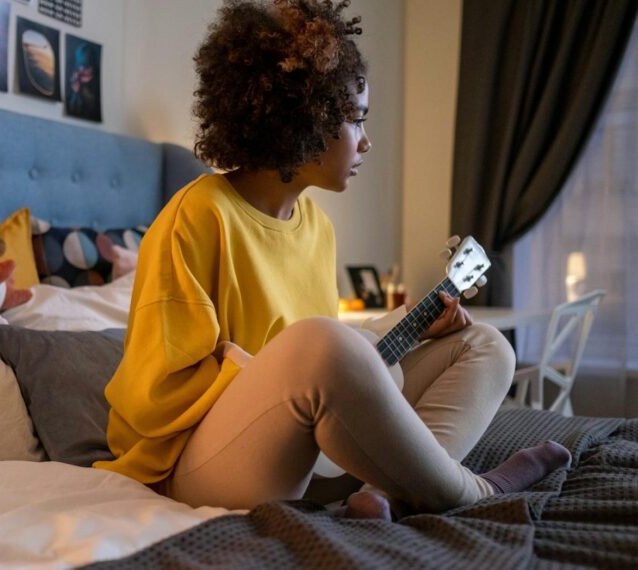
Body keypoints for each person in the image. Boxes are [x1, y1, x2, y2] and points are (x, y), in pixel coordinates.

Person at [93, 0, 570, 518]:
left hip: (302, 443)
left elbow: (324, 360)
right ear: (304, 118)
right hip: (190, 466)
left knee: (485, 345)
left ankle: (384, 493)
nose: (366, 142)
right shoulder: (197, 216)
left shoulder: (318, 228)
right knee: (323, 342)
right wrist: (275, 372)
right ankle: (473, 491)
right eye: (355, 121)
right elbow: (157, 393)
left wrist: (395, 335)